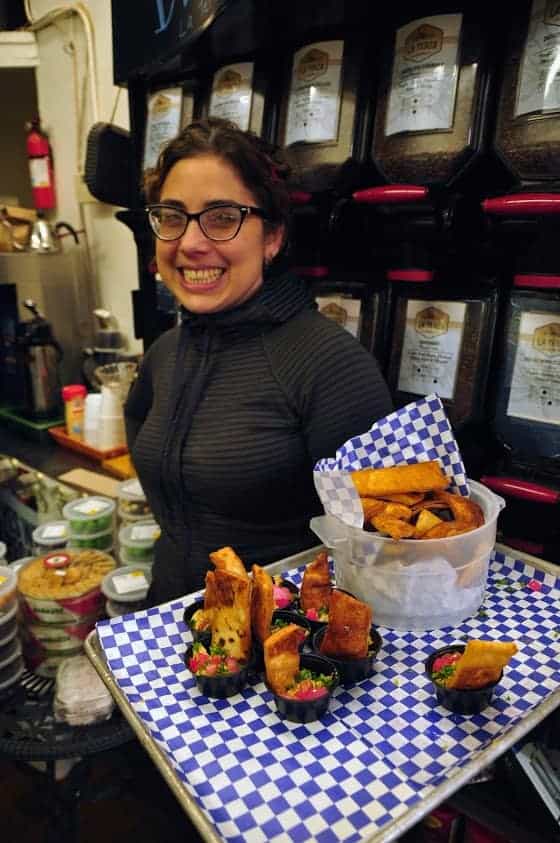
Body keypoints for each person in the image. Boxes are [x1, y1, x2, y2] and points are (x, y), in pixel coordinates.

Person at [125, 117, 392, 605]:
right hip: (168, 622)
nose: (189, 243)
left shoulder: (330, 365)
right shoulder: (166, 352)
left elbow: (386, 551)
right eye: (172, 215)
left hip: (281, 648)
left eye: (222, 217)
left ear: (272, 237)